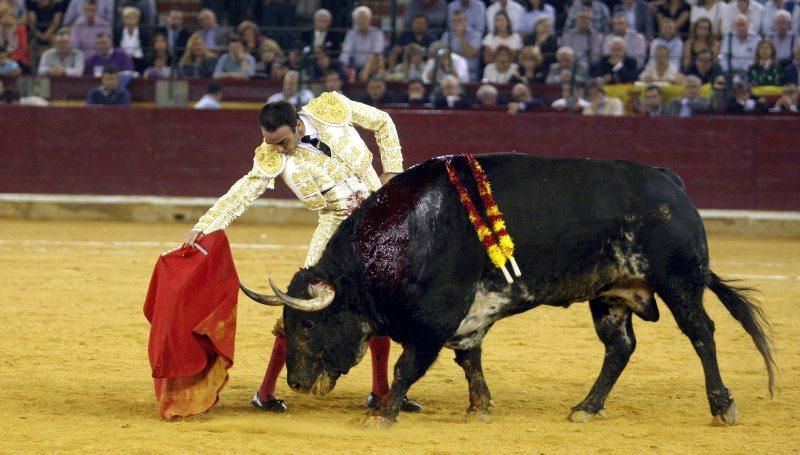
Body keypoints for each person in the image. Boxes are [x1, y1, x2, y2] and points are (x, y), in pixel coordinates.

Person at [182, 94, 418, 414]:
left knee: (382, 305)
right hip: (334, 230)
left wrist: (392, 170)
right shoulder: (271, 157)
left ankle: (380, 391)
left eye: (281, 141)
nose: (277, 149)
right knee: (299, 308)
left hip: (378, 223)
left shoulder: (331, 108)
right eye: (269, 142)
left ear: (296, 125)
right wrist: (205, 225)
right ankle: (265, 392)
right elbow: (243, 191)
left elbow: (383, 123)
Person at [339, 6, 385, 71]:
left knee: (377, 59)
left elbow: (376, 53)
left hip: (373, 66)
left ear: (370, 19)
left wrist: (366, 70)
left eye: (365, 18)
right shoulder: (351, 34)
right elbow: (346, 53)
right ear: (355, 21)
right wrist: (342, 66)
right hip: (356, 67)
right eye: (359, 18)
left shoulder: (377, 33)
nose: (362, 21)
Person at [440, 9, 482, 81]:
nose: (458, 23)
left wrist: (460, 37)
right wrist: (462, 54)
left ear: (466, 20)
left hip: (470, 72)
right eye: (455, 21)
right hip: (450, 71)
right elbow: (444, 56)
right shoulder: (446, 35)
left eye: (460, 20)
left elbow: (470, 54)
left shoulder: (475, 34)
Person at [114, 6, 149, 73]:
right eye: (127, 18)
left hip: (139, 62)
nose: (130, 21)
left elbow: (146, 52)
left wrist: (134, 56)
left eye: (133, 18)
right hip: (122, 62)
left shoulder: (144, 34)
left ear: (138, 19)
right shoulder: (117, 33)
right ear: (123, 20)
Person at [0, 4, 28, 70]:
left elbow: (22, 49)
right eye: (4, 16)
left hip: (17, 59)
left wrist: (9, 58)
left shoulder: (20, 28)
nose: (8, 18)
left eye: (10, 15)